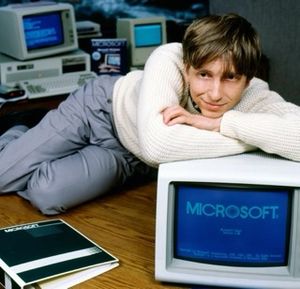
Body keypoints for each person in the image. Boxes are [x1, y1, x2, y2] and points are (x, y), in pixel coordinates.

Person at [1, 13, 300, 215]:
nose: (215, 93)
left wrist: (224, 123)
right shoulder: (168, 57)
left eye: (231, 78)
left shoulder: (254, 92)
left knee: (47, 196)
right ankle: (21, 135)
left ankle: (27, 147)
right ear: (187, 68)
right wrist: (253, 137)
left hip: (134, 157)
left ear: (247, 79)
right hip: (100, 110)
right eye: (204, 75)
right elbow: (160, 146)